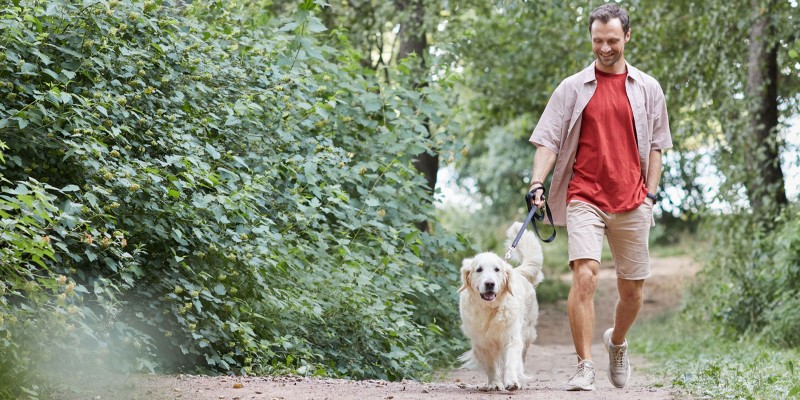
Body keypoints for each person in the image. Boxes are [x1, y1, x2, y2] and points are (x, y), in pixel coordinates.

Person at [527, 3, 672, 391]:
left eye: (611, 40)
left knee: (632, 290)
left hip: (633, 198)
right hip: (584, 196)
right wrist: (536, 183)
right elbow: (548, 140)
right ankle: (584, 365)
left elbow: (658, 145)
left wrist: (651, 195)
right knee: (585, 275)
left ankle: (617, 341)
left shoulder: (648, 88)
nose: (604, 48)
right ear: (591, 39)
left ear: (627, 36)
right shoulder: (572, 87)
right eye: (597, 41)